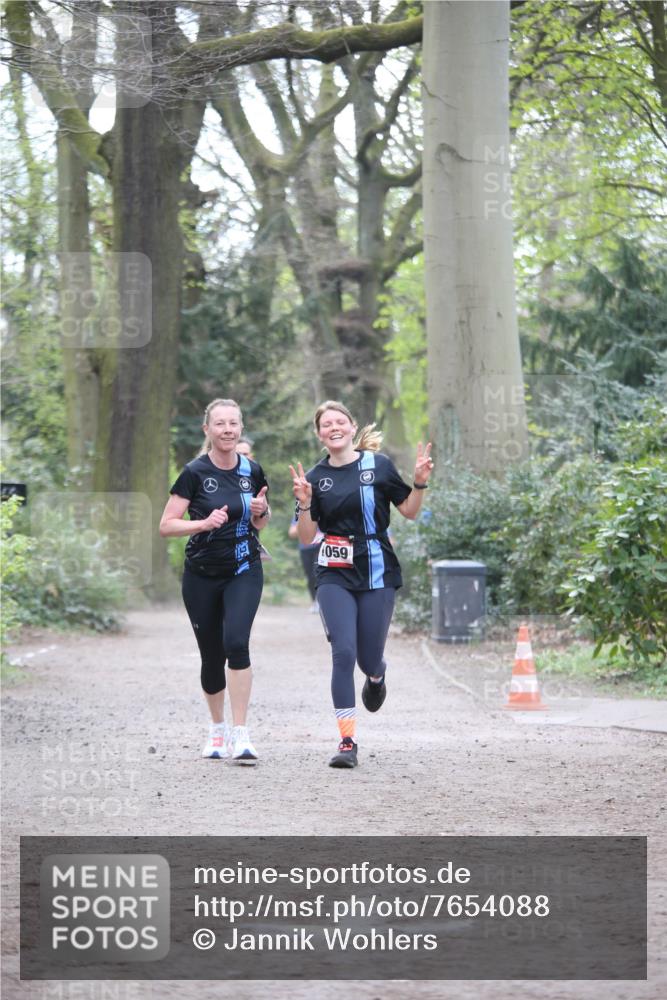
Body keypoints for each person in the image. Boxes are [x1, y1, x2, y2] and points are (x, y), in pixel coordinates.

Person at [290, 400, 433, 769]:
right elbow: (307, 537)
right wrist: (305, 504)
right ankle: (347, 741)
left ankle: (377, 674)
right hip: (334, 572)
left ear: (352, 427)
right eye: (326, 424)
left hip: (376, 568)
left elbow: (410, 511)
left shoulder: (378, 465)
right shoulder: (316, 477)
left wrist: (419, 481)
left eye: (340, 421)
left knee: (368, 657)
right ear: (319, 433)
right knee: (343, 652)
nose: (333, 428)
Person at [159, 398, 270, 765]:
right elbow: (167, 525)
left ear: (241, 428)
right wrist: (202, 523)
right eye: (219, 424)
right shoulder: (194, 472)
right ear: (207, 430)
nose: (227, 430)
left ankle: (241, 733)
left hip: (244, 569)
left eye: (233, 424)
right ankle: (217, 729)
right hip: (202, 575)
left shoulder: (252, 471)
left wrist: (261, 512)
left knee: (237, 643)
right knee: (212, 655)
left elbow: (260, 521)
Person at [288, 517, 323, 612]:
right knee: (310, 576)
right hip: (305, 548)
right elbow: (291, 533)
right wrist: (304, 524)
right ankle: (314, 602)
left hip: (320, 546)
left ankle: (322, 601)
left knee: (317, 572)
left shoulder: (322, 506)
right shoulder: (299, 511)